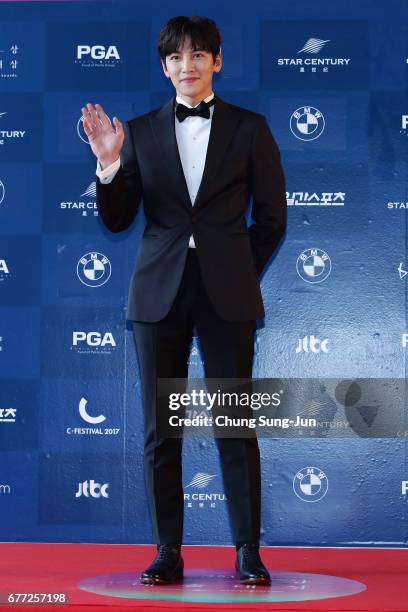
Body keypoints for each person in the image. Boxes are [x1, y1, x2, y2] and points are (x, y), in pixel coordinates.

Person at [82, 15, 286, 586]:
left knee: (235, 424)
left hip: (226, 291)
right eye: (176, 57)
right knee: (158, 429)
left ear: (217, 61)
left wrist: (238, 268)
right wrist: (108, 161)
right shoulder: (140, 131)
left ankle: (248, 550)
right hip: (158, 291)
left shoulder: (250, 128)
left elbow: (272, 217)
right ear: (165, 66)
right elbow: (118, 217)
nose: (187, 66)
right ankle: (167, 551)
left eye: (198, 55)